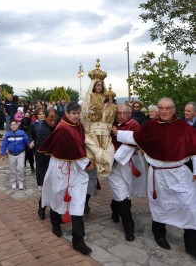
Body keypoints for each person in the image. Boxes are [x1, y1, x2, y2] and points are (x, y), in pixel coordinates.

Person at [112, 97, 196, 258]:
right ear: (158, 109)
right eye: (161, 108)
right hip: (158, 175)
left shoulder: (184, 127)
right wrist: (117, 132)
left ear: (174, 109)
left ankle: (191, 244)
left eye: (168, 108)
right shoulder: (150, 126)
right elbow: (135, 137)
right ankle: (159, 234)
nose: (164, 112)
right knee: (160, 205)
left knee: (190, 206)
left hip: (179, 174)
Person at [38, 102, 94, 255]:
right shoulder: (62, 128)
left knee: (78, 203)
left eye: (78, 113)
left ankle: (79, 240)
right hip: (61, 168)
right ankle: (55, 222)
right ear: (67, 114)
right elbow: (71, 148)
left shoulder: (79, 126)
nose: (76, 116)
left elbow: (80, 145)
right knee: (58, 196)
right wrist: (87, 163)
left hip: (76, 170)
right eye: (74, 113)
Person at [80, 59, 116, 213]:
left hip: (105, 135)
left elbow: (110, 118)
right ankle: (83, 200)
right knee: (89, 169)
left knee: (109, 159)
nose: (99, 87)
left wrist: (109, 107)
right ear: (93, 85)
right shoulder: (88, 99)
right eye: (97, 84)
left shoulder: (108, 100)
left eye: (101, 84)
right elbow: (84, 117)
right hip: (92, 134)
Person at [109, 104, 146, 241]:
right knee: (121, 194)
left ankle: (114, 208)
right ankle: (129, 229)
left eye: (125, 113)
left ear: (130, 113)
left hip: (131, 165)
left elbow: (139, 140)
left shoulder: (134, 124)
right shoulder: (110, 123)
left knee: (126, 194)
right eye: (119, 113)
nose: (122, 116)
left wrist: (117, 133)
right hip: (115, 165)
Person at [35, 108, 58, 219]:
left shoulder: (56, 124)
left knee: (56, 188)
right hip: (44, 162)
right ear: (46, 118)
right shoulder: (43, 130)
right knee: (47, 188)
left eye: (55, 120)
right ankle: (42, 208)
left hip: (54, 160)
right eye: (50, 120)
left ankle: (55, 211)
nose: (53, 122)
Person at [1, 120, 34, 190]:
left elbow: (27, 141)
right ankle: (13, 182)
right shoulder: (7, 134)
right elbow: (4, 144)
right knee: (12, 169)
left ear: (17, 125)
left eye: (15, 124)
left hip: (21, 153)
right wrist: (3, 154)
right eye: (12, 125)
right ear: (10, 126)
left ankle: (21, 182)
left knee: (21, 168)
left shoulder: (22, 133)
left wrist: (30, 144)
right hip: (11, 154)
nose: (13, 126)